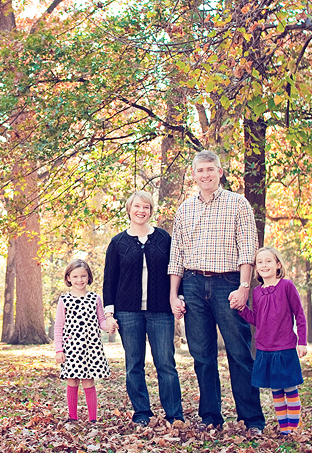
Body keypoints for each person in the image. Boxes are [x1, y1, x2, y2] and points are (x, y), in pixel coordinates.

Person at [168, 150, 265, 434]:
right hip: (194, 285)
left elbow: (248, 248)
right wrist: (175, 295)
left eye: (211, 169)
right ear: (194, 174)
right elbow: (178, 256)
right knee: (202, 355)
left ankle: (252, 419)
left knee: (239, 352)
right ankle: (211, 417)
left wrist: (244, 287)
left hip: (228, 283)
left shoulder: (238, 204)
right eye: (200, 170)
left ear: (220, 172)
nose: (206, 175)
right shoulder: (185, 209)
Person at [103, 190, 184, 427]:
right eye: (137, 206)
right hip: (128, 313)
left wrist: (178, 297)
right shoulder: (118, 242)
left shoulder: (163, 239)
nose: (141, 211)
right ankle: (141, 413)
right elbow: (110, 279)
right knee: (134, 364)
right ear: (129, 209)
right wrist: (109, 312)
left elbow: (176, 270)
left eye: (146, 207)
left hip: (161, 311)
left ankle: (174, 415)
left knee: (166, 363)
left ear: (151, 211)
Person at [237, 247, 307, 435]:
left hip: (285, 347)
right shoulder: (257, 292)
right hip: (265, 349)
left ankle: (292, 429)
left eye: (268, 261)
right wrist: (241, 309)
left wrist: (302, 342)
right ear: (256, 269)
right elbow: (257, 320)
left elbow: (299, 315)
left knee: (289, 388)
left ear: (278, 265)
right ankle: (284, 429)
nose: (264, 265)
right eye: (260, 262)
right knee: (276, 390)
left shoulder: (286, 286)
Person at [54, 259, 114, 422]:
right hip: (72, 347)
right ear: (68, 278)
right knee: (72, 380)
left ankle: (92, 419)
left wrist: (108, 325)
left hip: (90, 347)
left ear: (88, 277)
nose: (79, 280)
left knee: (88, 380)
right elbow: (59, 326)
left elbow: (100, 320)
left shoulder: (95, 298)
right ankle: (72, 417)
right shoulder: (64, 300)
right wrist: (59, 349)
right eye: (75, 276)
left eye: (83, 276)